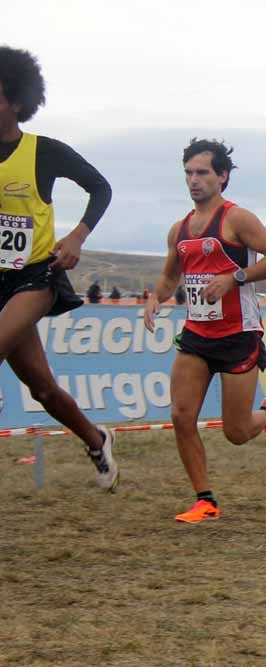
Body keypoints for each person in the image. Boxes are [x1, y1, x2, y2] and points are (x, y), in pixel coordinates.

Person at [144, 138, 266, 523]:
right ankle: (204, 500)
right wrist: (155, 297)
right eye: (189, 173)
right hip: (196, 336)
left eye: (203, 172)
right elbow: (169, 275)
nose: (194, 180)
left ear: (222, 176)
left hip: (238, 336)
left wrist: (235, 278)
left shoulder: (236, 219)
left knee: (237, 432)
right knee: (181, 415)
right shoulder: (179, 229)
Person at [0, 45, 118, 491]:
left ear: (15, 100)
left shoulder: (43, 152)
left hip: (34, 277)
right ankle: (96, 439)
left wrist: (76, 237)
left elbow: (100, 188)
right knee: (43, 390)